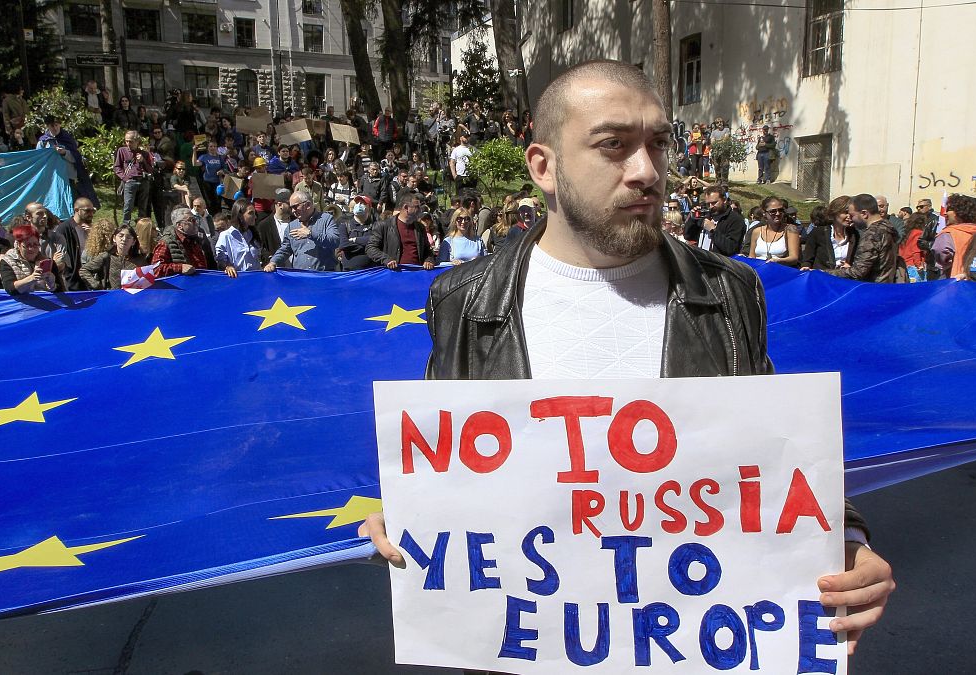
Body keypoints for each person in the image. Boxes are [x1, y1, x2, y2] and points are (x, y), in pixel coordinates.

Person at [359, 61, 893, 655]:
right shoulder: (465, 298)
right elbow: (452, 469)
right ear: (544, 167)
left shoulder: (728, 291)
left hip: (689, 648)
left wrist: (846, 542)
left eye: (658, 144)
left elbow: (766, 457)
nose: (647, 171)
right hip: (528, 649)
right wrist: (408, 514)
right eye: (613, 145)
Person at [827, 193, 899, 283]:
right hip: (887, 284)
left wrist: (823, 273)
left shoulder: (872, 234)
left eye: (852, 215)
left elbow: (858, 272)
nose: (851, 220)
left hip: (873, 287)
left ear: (864, 214)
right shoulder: (889, 228)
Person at [264, 189, 340, 272]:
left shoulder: (326, 219)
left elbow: (335, 241)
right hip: (300, 275)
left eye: (295, 207)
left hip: (323, 275)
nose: (293, 211)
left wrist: (311, 234)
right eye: (291, 207)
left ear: (308, 205)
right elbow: (285, 249)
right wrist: (273, 262)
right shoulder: (292, 226)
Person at [37, 116, 99, 206]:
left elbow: (76, 158)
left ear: (60, 125)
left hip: (68, 177)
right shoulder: (43, 141)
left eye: (56, 125)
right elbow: (39, 159)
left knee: (70, 202)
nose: (55, 128)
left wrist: (64, 152)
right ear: (48, 126)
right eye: (52, 126)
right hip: (52, 178)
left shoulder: (67, 138)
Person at [366, 192, 436, 270]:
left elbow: (427, 250)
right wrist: (386, 259)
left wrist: (429, 260)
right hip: (394, 273)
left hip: (417, 273)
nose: (420, 210)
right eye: (417, 207)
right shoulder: (384, 226)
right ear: (406, 207)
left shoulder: (420, 228)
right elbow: (370, 248)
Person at [0, 225, 65, 295]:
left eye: (35, 244)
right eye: (27, 245)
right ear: (18, 244)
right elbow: (10, 289)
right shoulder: (7, 261)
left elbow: (60, 291)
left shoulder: (48, 262)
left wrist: (52, 284)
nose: (31, 249)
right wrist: (32, 278)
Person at [82, 222, 148, 290]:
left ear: (133, 242)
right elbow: (84, 270)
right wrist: (96, 285)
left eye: (128, 237)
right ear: (114, 238)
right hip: (110, 295)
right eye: (121, 236)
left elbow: (148, 280)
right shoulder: (107, 256)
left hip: (132, 296)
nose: (124, 239)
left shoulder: (140, 261)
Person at [684, 185, 745, 257]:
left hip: (720, 262)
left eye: (714, 203)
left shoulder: (736, 220)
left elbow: (731, 248)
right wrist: (692, 219)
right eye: (708, 203)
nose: (711, 207)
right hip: (701, 259)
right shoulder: (705, 214)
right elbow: (688, 236)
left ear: (724, 200)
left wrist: (713, 230)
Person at [932, 193, 976, 279]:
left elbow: (940, 251)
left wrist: (945, 263)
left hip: (954, 278)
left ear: (961, 211)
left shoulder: (948, 233)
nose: (945, 213)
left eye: (949, 209)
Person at [151, 207, 212, 278]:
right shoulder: (166, 242)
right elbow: (155, 269)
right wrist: (180, 268)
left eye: (195, 219)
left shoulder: (195, 239)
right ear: (179, 226)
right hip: (180, 284)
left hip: (201, 281)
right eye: (191, 220)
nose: (196, 223)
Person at [114, 131, 154, 225]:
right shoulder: (122, 151)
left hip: (143, 181)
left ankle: (141, 227)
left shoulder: (144, 153)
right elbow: (117, 167)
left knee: (143, 207)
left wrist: (143, 161)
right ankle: (125, 226)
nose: (128, 143)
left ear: (137, 141)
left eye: (130, 141)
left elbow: (150, 170)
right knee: (128, 206)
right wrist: (125, 178)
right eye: (126, 141)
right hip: (130, 181)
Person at [746, 196, 800, 266]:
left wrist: (777, 261)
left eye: (780, 210)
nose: (778, 213)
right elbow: (752, 257)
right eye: (773, 211)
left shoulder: (790, 230)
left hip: (779, 269)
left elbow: (794, 258)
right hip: (758, 270)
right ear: (764, 213)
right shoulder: (756, 231)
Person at [214, 203, 262, 277]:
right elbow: (220, 261)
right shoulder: (226, 236)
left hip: (256, 278)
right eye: (250, 213)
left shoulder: (253, 234)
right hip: (237, 279)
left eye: (255, 213)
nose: (255, 216)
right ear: (240, 215)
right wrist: (227, 267)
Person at [337, 195, 377, 270]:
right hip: (349, 271)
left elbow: (377, 241)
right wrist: (367, 246)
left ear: (369, 208)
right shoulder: (345, 225)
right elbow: (344, 245)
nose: (359, 205)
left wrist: (355, 240)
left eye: (362, 203)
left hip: (371, 271)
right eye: (357, 203)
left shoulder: (376, 226)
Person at [898, 212, 929, 281]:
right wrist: (919, 265)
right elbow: (916, 251)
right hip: (914, 267)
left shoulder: (907, 233)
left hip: (904, 265)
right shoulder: (918, 233)